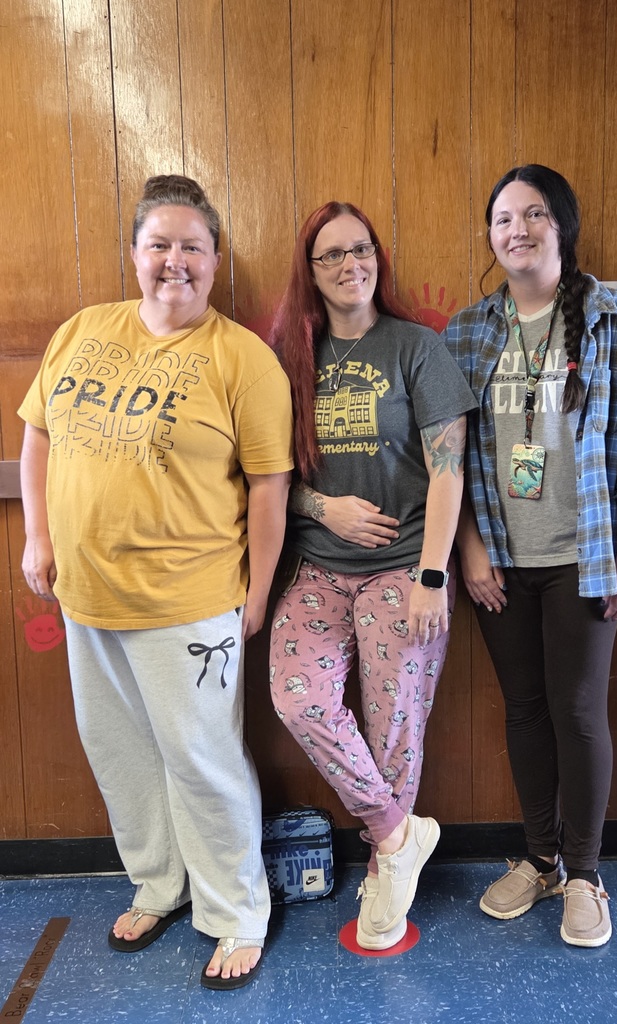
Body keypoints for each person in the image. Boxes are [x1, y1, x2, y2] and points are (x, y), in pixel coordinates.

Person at [18, 175, 293, 989]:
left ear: (215, 259)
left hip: (190, 601)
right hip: (86, 595)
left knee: (202, 758)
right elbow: (36, 436)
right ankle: (159, 884)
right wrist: (38, 536)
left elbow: (270, 488)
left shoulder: (242, 358)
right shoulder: (82, 331)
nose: (175, 261)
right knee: (121, 755)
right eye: (158, 245)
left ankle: (236, 911)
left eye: (192, 247)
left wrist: (259, 592)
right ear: (135, 254)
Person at [443, 165, 617, 948]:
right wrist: (469, 549)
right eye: (503, 217)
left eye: (534, 214)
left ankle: (584, 873)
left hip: (587, 553)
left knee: (576, 711)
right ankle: (539, 857)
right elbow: (450, 451)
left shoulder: (613, 320)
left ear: (561, 227)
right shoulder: (469, 331)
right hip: (501, 556)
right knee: (524, 709)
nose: (517, 229)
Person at [267, 201, 477, 950]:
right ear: (310, 270)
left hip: (404, 564)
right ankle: (395, 835)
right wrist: (324, 508)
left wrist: (430, 575)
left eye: (361, 250)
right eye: (331, 255)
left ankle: (384, 872)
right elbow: (262, 474)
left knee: (394, 724)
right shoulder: (286, 356)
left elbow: (449, 471)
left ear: (377, 259)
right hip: (320, 565)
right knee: (298, 699)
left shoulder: (416, 348)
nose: (350, 264)